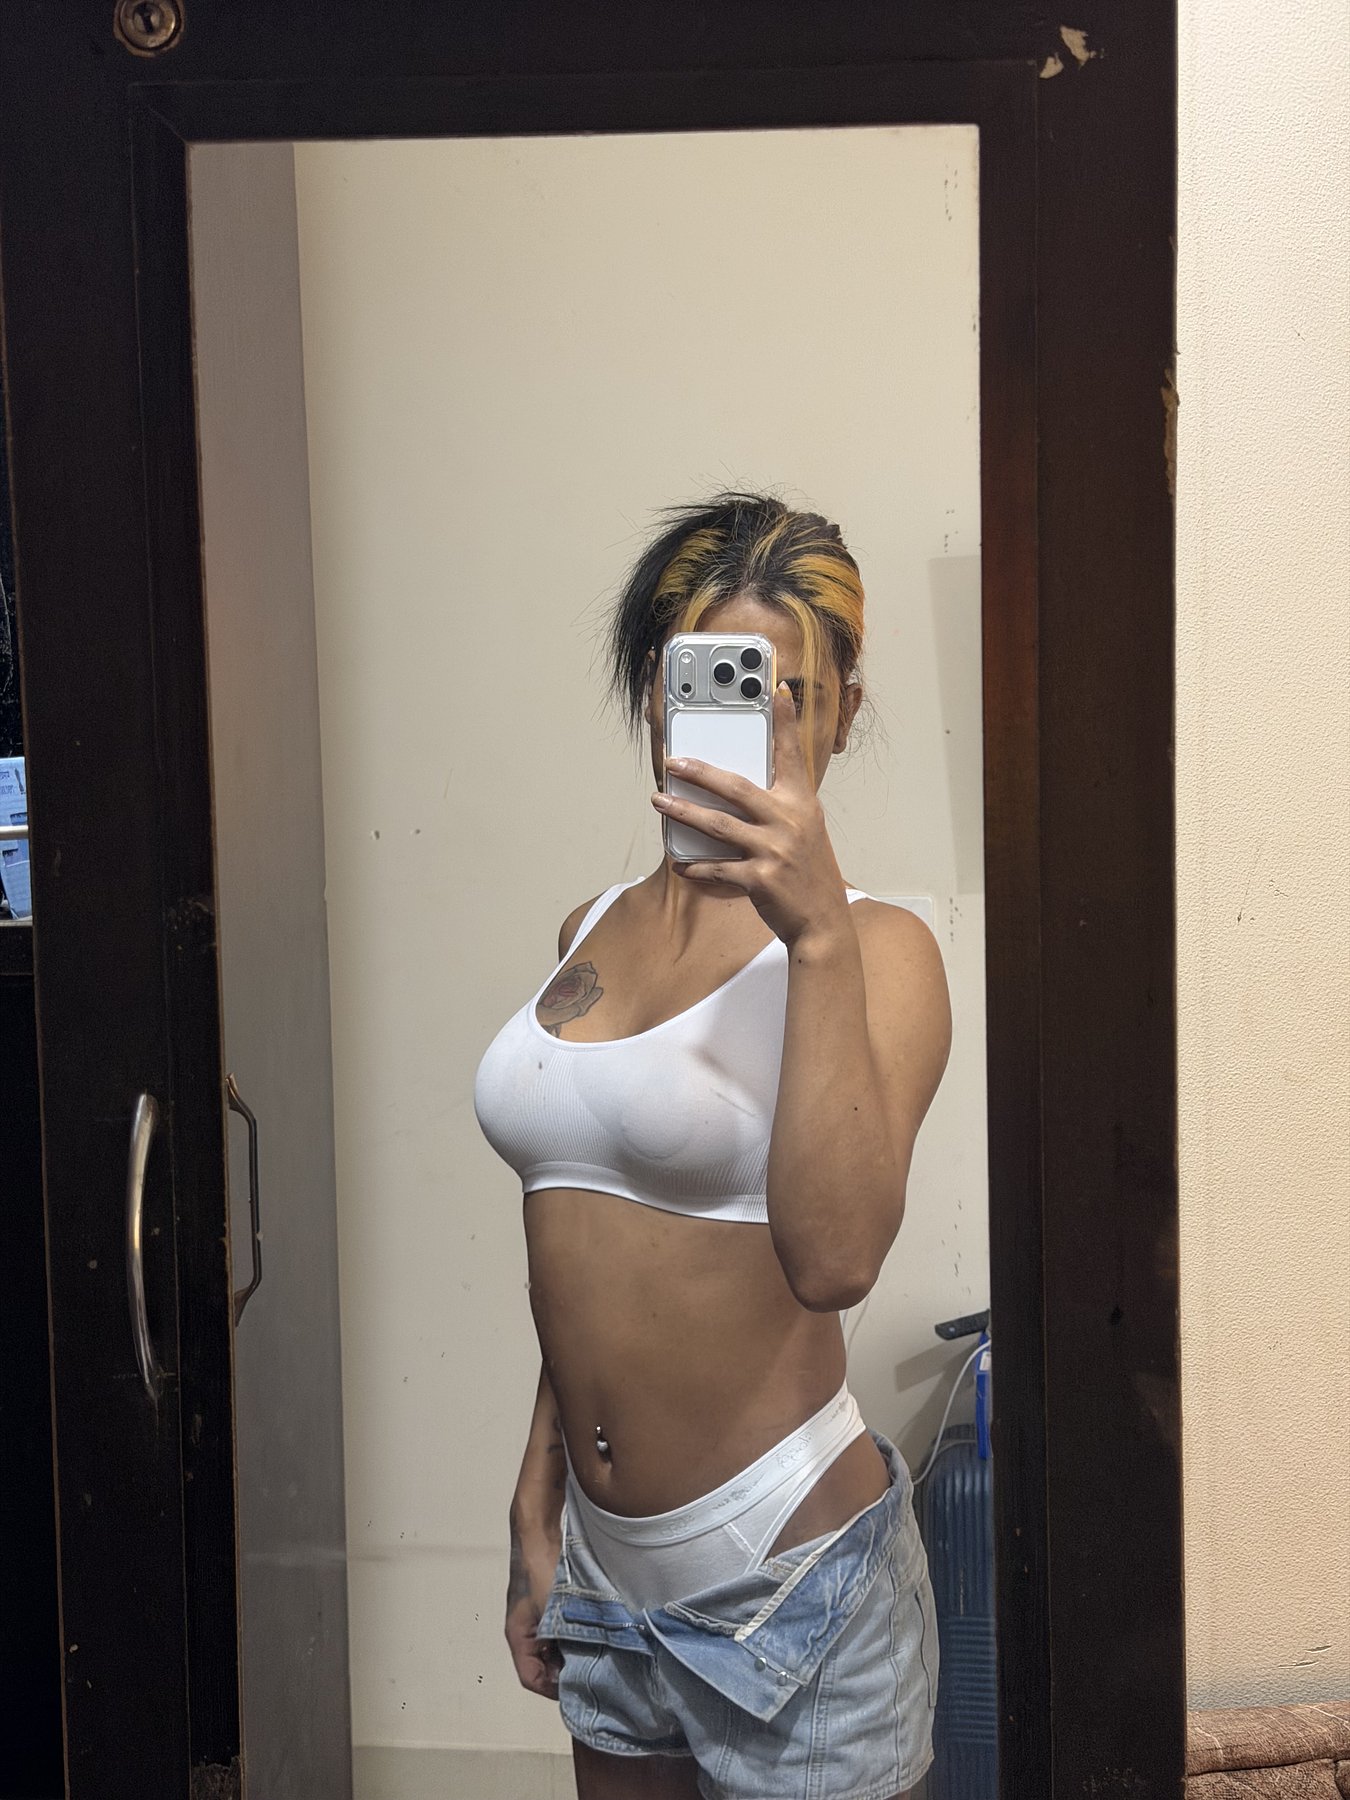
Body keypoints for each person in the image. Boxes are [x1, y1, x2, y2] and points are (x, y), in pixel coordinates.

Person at [474, 492, 952, 1799]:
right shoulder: (585, 929)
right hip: (602, 1576)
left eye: (792, 691)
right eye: (713, 678)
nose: (760, 720)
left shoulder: (881, 949)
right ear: (654, 691)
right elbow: (588, 1250)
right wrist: (536, 1493)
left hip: (792, 1582)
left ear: (843, 711)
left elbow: (836, 1259)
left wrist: (815, 937)